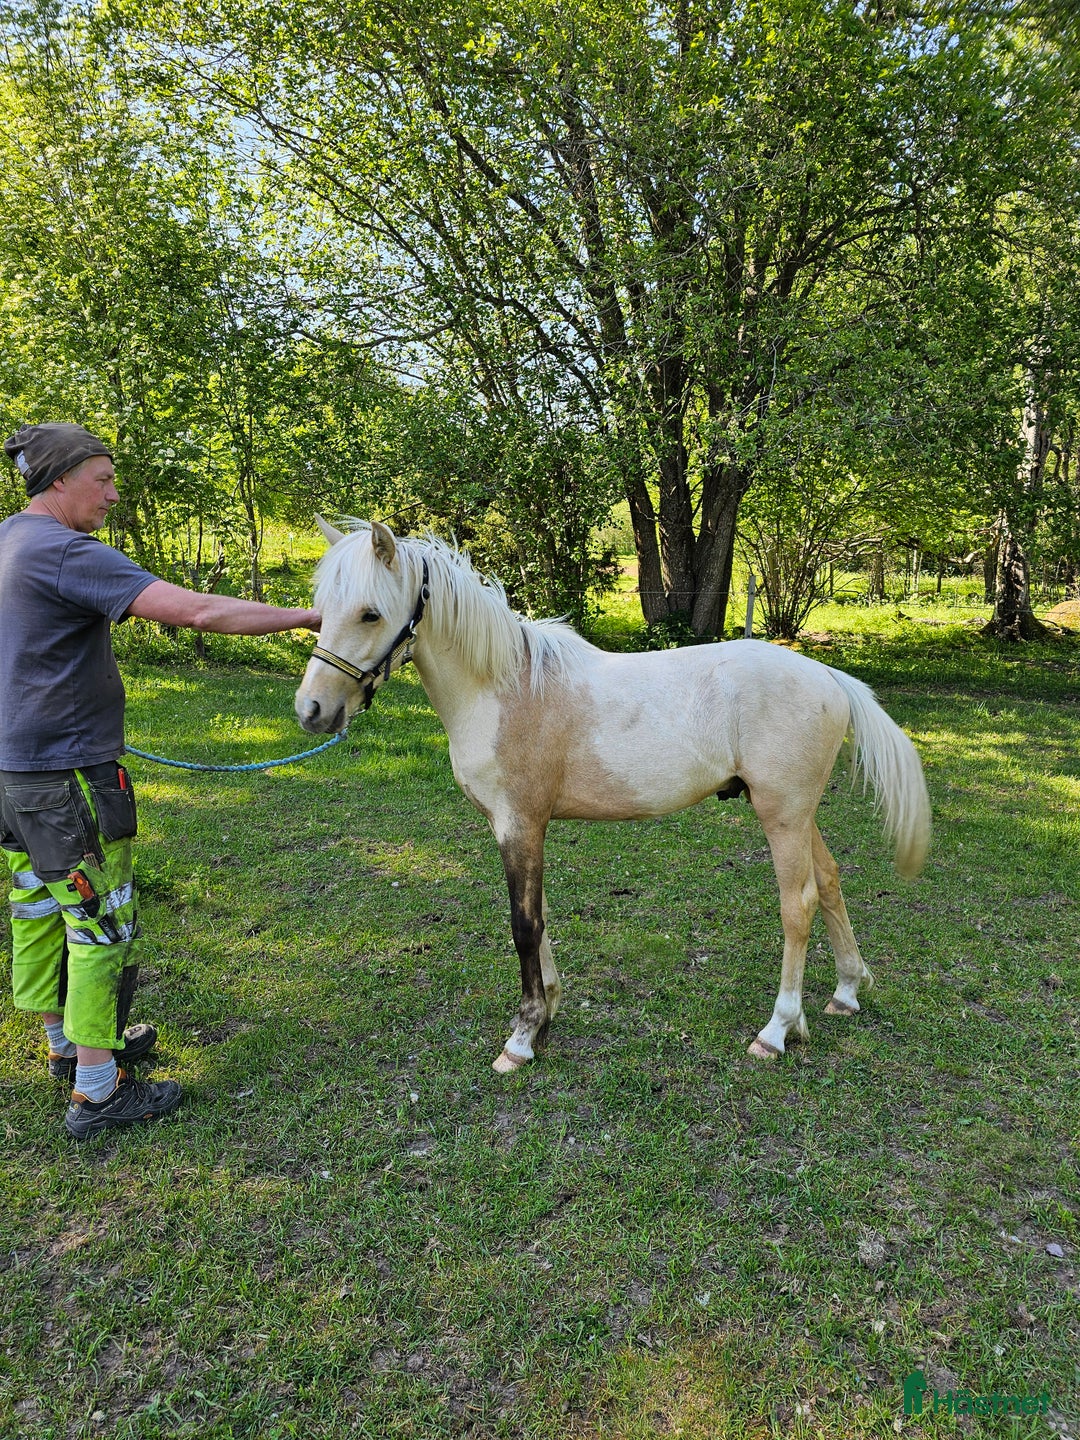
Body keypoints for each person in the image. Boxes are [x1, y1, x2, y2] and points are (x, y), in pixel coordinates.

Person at [0, 423, 321, 1140]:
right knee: (100, 923)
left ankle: (65, 1048)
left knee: (41, 909)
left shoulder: (8, 540)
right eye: (103, 479)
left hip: (14, 776)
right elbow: (198, 610)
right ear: (59, 479)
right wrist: (312, 616)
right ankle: (96, 1092)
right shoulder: (64, 551)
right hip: (67, 780)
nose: (114, 494)